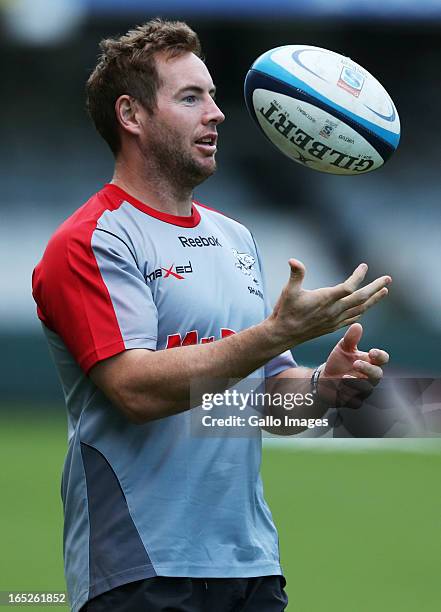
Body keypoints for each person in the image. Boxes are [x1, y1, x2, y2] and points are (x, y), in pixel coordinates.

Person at [32, 18, 391, 612]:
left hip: (250, 565)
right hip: (139, 571)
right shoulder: (91, 241)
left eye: (214, 96)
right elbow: (135, 392)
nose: (218, 114)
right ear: (131, 115)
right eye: (191, 97)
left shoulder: (236, 239)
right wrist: (275, 333)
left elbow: (260, 404)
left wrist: (323, 389)